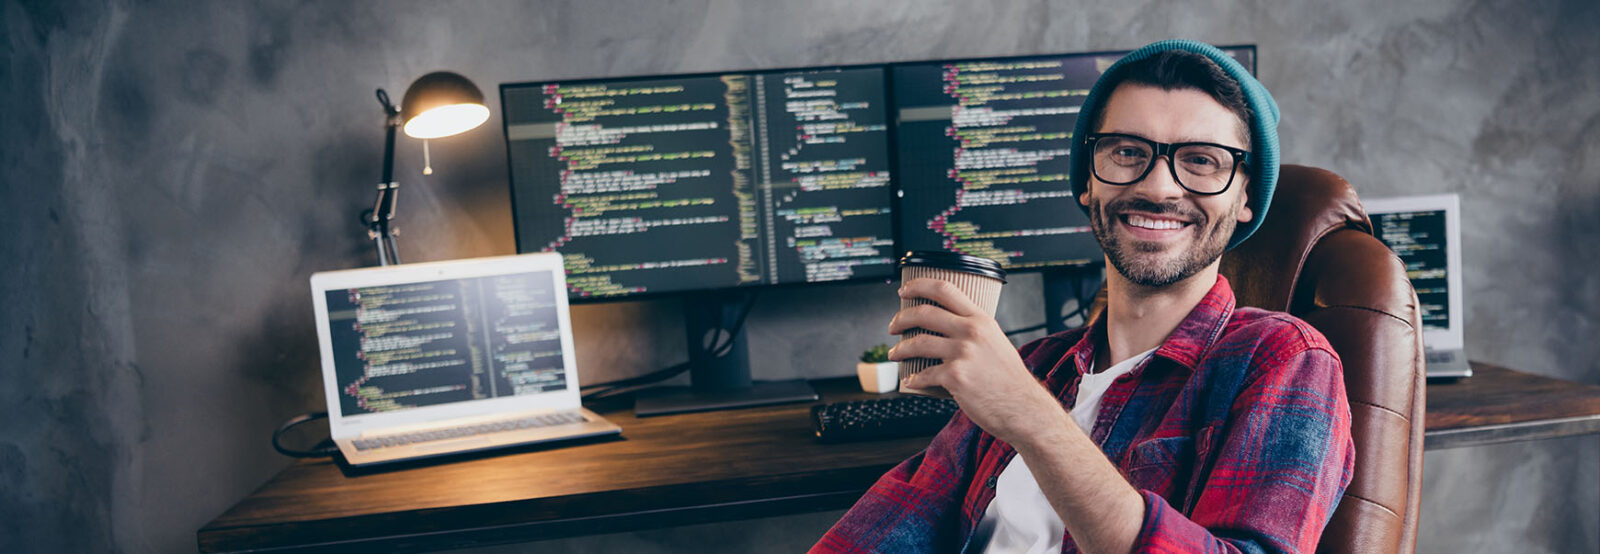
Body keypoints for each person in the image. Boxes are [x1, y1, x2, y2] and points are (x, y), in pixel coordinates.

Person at [814, 40, 1355, 554]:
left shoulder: (1285, 360)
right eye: (1126, 151)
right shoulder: (1036, 365)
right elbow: (892, 523)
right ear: (1086, 183)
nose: (1159, 187)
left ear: (1244, 197)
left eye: (1201, 161)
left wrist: (1030, 416)